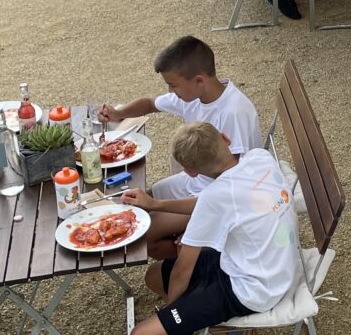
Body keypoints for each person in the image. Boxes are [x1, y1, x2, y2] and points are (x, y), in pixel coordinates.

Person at [128, 122, 297, 335]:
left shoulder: (219, 197)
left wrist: (172, 322)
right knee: (153, 277)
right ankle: (219, 333)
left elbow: (183, 272)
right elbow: (210, 202)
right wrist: (155, 205)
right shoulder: (259, 158)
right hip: (270, 266)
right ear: (225, 139)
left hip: (251, 288)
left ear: (189, 171)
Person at [100, 36, 263, 260]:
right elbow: (149, 103)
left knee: (145, 234)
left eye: (173, 85)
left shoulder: (233, 113)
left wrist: (194, 229)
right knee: (137, 202)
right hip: (200, 181)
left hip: (222, 197)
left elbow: (230, 184)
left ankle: (204, 257)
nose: (170, 90)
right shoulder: (194, 96)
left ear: (198, 80)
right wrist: (118, 113)